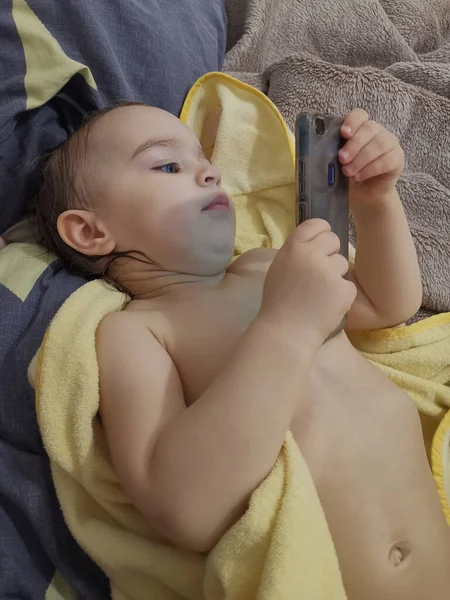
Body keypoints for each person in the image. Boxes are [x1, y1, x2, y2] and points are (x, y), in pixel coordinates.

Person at [32, 102, 450, 600]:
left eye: (205, 159)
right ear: (91, 231)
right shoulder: (136, 333)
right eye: (168, 165)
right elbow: (182, 506)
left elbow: (387, 304)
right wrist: (287, 326)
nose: (210, 172)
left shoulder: (266, 265)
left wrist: (376, 201)